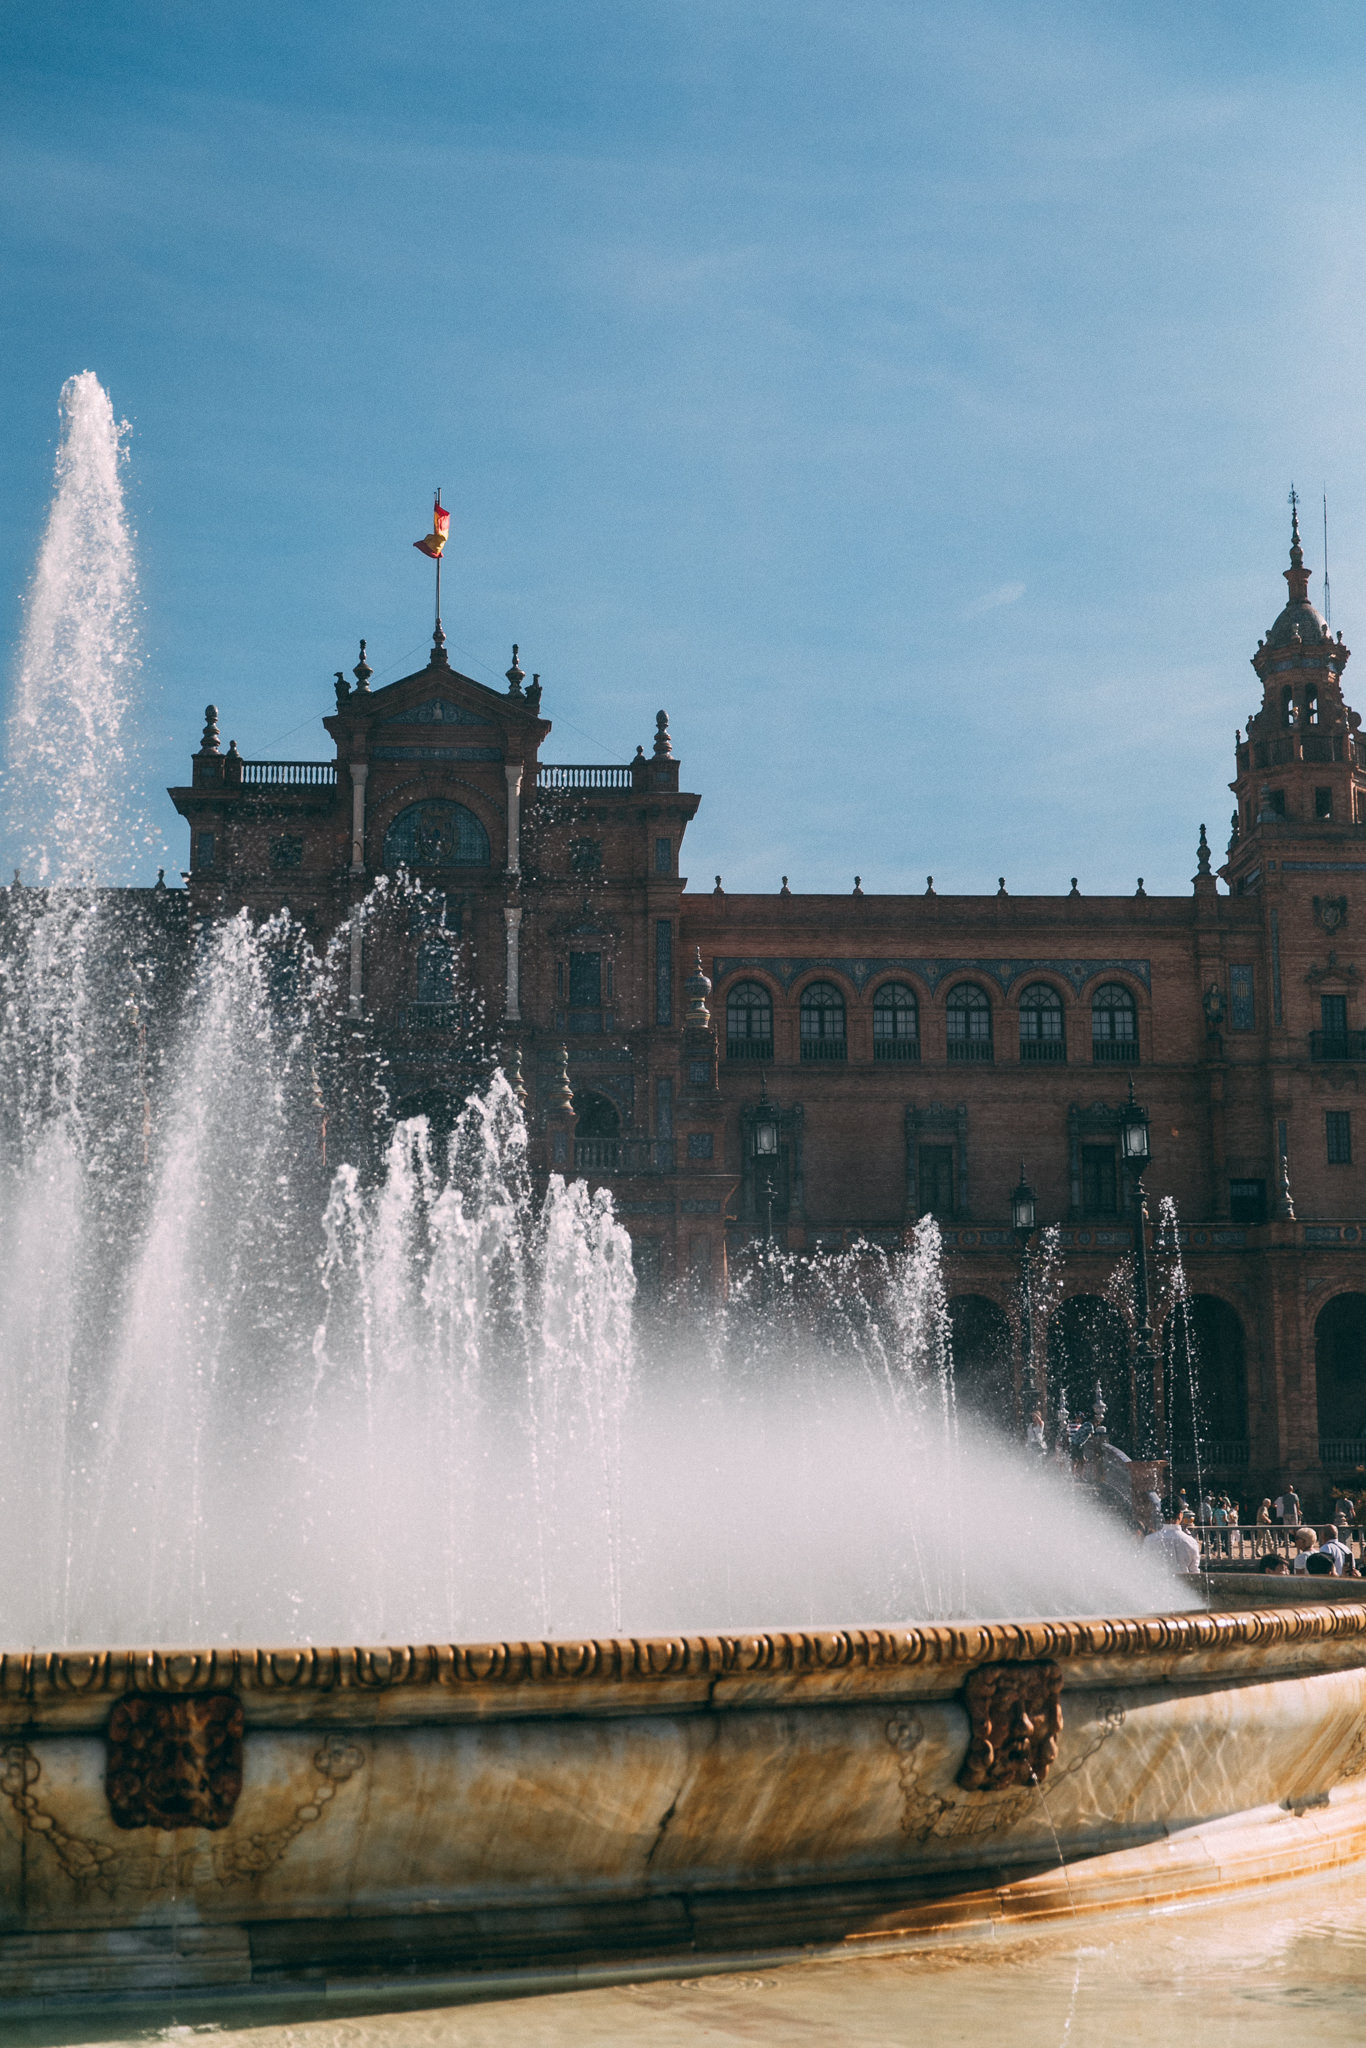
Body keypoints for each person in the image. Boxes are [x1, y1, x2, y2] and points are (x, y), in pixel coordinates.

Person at [1144, 1509, 1201, 1575]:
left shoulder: (1149, 1540)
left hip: (1156, 1583)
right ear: (1180, 1515)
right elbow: (1195, 1573)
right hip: (1183, 1583)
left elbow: (1146, 1568)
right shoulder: (1191, 1542)